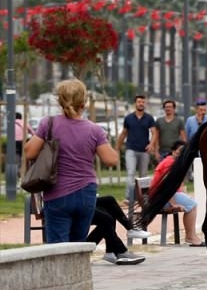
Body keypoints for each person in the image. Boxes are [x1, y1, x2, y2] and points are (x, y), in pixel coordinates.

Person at [23, 79, 120, 243]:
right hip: (86, 193)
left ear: (60, 100)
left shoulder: (48, 124)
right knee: (78, 245)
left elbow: (29, 152)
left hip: (57, 193)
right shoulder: (94, 130)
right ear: (84, 102)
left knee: (58, 248)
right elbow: (111, 160)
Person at [151, 140, 204, 245]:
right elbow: (165, 185)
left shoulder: (174, 162)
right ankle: (190, 237)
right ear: (173, 151)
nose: (182, 153)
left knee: (191, 204)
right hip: (160, 198)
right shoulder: (169, 163)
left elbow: (177, 184)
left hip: (163, 196)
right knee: (192, 206)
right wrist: (173, 204)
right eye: (180, 150)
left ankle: (191, 235)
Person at [116, 94, 158, 216]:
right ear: (135, 103)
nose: (141, 104)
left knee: (143, 176)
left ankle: (143, 198)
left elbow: (154, 133)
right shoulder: (128, 118)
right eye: (139, 102)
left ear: (145, 104)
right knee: (130, 173)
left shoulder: (149, 118)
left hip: (144, 150)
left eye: (143, 102)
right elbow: (123, 133)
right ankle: (129, 197)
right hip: (131, 150)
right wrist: (117, 148)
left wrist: (151, 144)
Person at [89, 196, 146, 265]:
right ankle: (119, 251)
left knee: (109, 201)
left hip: (80, 199)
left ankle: (129, 229)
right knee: (106, 218)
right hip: (75, 203)